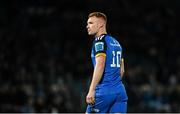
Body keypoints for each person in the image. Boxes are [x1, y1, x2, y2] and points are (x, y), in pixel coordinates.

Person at [85, 12, 128, 113]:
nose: (87, 26)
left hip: (104, 91)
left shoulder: (99, 41)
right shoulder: (117, 43)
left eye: (91, 23)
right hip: (120, 92)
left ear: (100, 24)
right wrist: (114, 86)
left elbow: (100, 65)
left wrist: (92, 90)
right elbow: (122, 70)